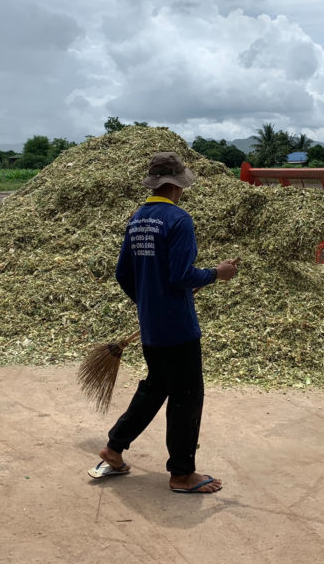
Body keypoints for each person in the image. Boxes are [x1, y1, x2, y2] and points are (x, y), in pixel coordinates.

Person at [88, 151, 238, 494]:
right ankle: (182, 474)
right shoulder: (178, 220)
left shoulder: (138, 218)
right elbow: (181, 274)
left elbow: (124, 273)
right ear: (174, 184)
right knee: (187, 394)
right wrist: (218, 273)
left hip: (153, 325)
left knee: (157, 385)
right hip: (178, 328)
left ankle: (113, 448)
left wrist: (149, 302)